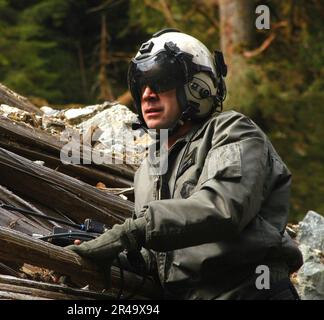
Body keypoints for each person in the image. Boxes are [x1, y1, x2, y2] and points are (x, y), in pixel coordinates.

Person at [67, 29, 303, 300]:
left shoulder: (233, 132)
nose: (147, 95)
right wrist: (122, 257)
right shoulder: (148, 169)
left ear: (198, 87)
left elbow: (223, 209)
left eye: (160, 81)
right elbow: (166, 259)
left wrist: (133, 231)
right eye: (141, 84)